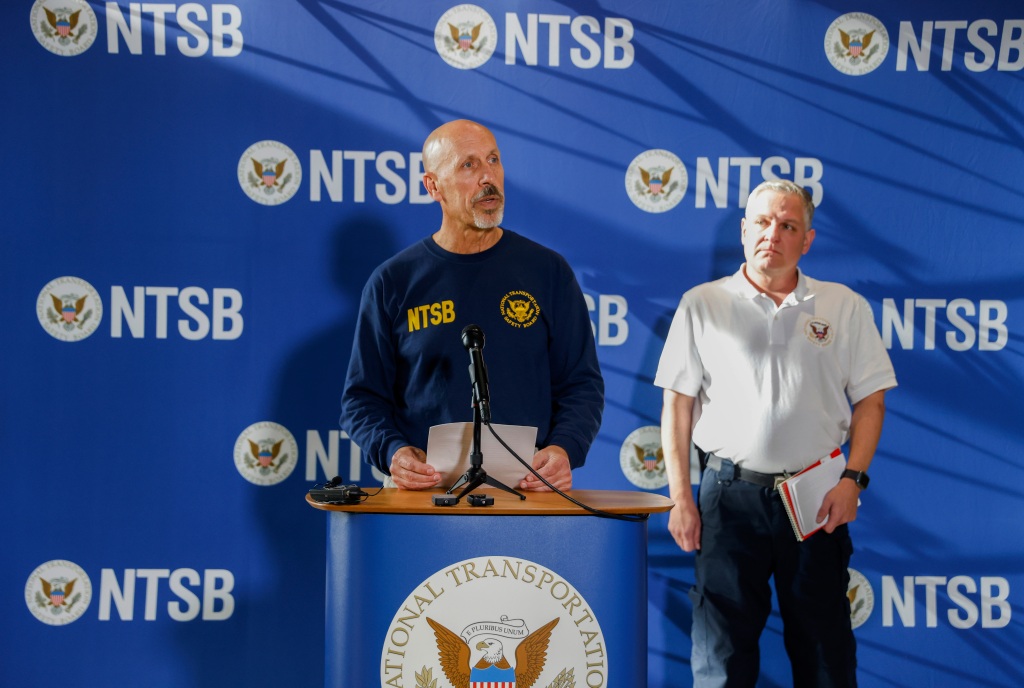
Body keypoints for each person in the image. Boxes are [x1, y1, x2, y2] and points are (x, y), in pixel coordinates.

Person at [655, 179, 897, 687]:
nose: (774, 234)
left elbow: (872, 402)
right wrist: (681, 498)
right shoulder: (703, 304)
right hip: (728, 497)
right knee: (720, 660)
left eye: (789, 225)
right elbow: (677, 408)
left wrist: (853, 479)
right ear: (744, 231)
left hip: (815, 500)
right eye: (763, 222)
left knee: (825, 657)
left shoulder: (843, 306)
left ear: (806, 240)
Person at [340, 119, 603, 492]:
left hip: (527, 487)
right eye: (469, 165)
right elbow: (362, 399)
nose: (487, 177)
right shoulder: (393, 281)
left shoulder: (547, 271)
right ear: (433, 186)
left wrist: (563, 449)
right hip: (423, 493)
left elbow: (581, 383)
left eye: (493, 160)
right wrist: (394, 453)